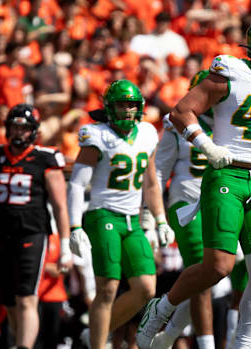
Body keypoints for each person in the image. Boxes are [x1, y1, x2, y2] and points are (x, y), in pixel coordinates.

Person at [137, 13, 251, 349]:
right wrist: (207, 145)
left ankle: (242, 344)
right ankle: (161, 308)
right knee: (218, 266)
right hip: (226, 173)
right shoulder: (232, 71)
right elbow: (181, 110)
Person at [0, 103, 73, 349]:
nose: (19, 132)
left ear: (33, 131)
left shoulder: (45, 158)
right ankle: (22, 342)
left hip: (32, 234)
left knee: (26, 299)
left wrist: (65, 245)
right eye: (15, 127)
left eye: (24, 128)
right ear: (8, 128)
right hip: (1, 235)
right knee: (8, 301)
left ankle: (24, 347)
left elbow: (61, 205)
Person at [67, 79, 175, 349]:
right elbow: (77, 184)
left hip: (132, 219)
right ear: (109, 107)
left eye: (131, 105)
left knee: (146, 288)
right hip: (103, 215)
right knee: (108, 288)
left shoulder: (147, 133)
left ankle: (93, 335)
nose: (127, 110)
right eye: (121, 104)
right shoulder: (97, 135)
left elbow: (150, 182)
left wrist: (160, 219)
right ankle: (97, 343)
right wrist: (74, 227)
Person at [150, 70, 216, 349]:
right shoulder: (176, 122)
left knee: (234, 265)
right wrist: (152, 215)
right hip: (186, 202)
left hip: (221, 202)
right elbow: (159, 171)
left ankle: (170, 331)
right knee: (202, 273)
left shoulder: (231, 121)